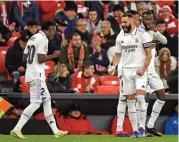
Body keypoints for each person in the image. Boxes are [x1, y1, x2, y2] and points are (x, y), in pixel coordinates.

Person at [10, 21, 68, 139]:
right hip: (36, 76)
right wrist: (53, 56)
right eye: (52, 30)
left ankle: (56, 131)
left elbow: (24, 57)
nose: (53, 33)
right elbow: (41, 58)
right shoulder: (43, 39)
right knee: (36, 103)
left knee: (47, 100)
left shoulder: (33, 38)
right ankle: (16, 129)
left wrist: (32, 65)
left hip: (32, 74)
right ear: (46, 29)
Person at [108, 13, 152, 137]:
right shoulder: (120, 36)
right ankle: (135, 130)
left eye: (125, 22)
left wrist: (143, 69)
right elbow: (117, 54)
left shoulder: (142, 35)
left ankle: (142, 128)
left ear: (132, 21)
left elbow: (149, 54)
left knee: (141, 98)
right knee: (130, 102)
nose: (123, 24)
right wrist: (113, 66)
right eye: (122, 22)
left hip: (139, 71)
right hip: (126, 71)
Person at [139, 11, 167, 137]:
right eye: (146, 18)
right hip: (142, 70)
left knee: (162, 95)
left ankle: (150, 126)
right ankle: (141, 128)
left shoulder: (152, 32)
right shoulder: (138, 32)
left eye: (150, 18)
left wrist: (155, 31)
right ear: (142, 19)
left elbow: (165, 41)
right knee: (144, 100)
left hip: (152, 70)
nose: (148, 20)